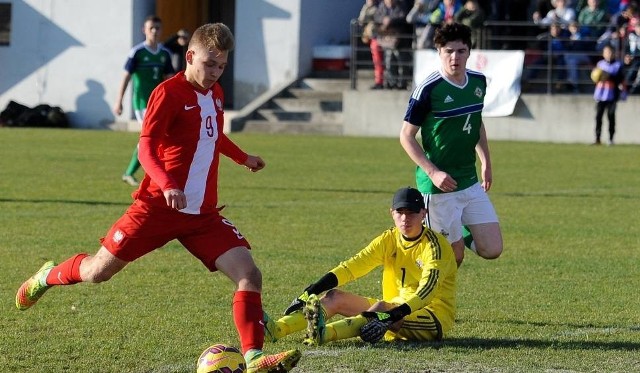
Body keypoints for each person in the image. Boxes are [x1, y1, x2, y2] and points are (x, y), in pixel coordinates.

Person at [16, 23, 301, 373]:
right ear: (190, 55)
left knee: (249, 274)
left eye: (222, 66)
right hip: (156, 208)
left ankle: (255, 357)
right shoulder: (168, 93)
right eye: (210, 64)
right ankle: (46, 276)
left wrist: (243, 158)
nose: (215, 72)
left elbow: (212, 136)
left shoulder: (215, 94)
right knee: (97, 272)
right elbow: (145, 147)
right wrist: (167, 184)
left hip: (202, 215)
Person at [262, 187, 457, 346]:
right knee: (334, 297)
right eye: (400, 212)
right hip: (391, 309)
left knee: (380, 308)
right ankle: (277, 330)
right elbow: (353, 266)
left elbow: (426, 293)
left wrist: (390, 316)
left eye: (412, 212)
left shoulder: (435, 247)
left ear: (423, 213)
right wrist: (311, 291)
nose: (405, 218)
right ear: (392, 213)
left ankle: (324, 334)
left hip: (432, 316)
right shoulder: (389, 239)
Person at [399, 22, 503, 266]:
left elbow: (475, 123)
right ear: (439, 52)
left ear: (469, 52)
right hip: (439, 187)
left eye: (460, 51)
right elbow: (405, 135)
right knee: (451, 260)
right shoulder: (428, 89)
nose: (454, 57)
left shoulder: (478, 83)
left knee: (492, 249)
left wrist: (486, 160)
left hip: (468, 179)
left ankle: (460, 229)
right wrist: (433, 172)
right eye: (448, 51)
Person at [113, 15, 175, 187]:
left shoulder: (164, 54)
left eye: (157, 28)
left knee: (153, 139)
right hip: (142, 104)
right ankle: (146, 174)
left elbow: (170, 80)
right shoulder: (137, 52)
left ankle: (135, 173)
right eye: (151, 28)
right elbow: (126, 77)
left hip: (158, 103)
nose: (154, 31)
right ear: (144, 30)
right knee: (152, 138)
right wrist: (119, 101)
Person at [591, 43, 626, 145]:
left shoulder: (618, 65)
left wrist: (608, 76)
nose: (608, 54)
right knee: (598, 117)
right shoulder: (600, 64)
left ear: (614, 53)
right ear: (603, 54)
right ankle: (597, 139)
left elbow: (620, 79)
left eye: (610, 52)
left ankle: (611, 139)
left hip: (612, 95)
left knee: (611, 116)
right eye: (606, 52)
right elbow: (595, 78)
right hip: (600, 95)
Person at [359, 0, 386, 89]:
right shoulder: (368, 7)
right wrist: (367, 7)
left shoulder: (381, 5)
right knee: (377, 61)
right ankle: (379, 81)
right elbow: (361, 21)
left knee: (383, 60)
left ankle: (384, 81)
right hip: (373, 37)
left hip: (383, 36)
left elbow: (380, 18)